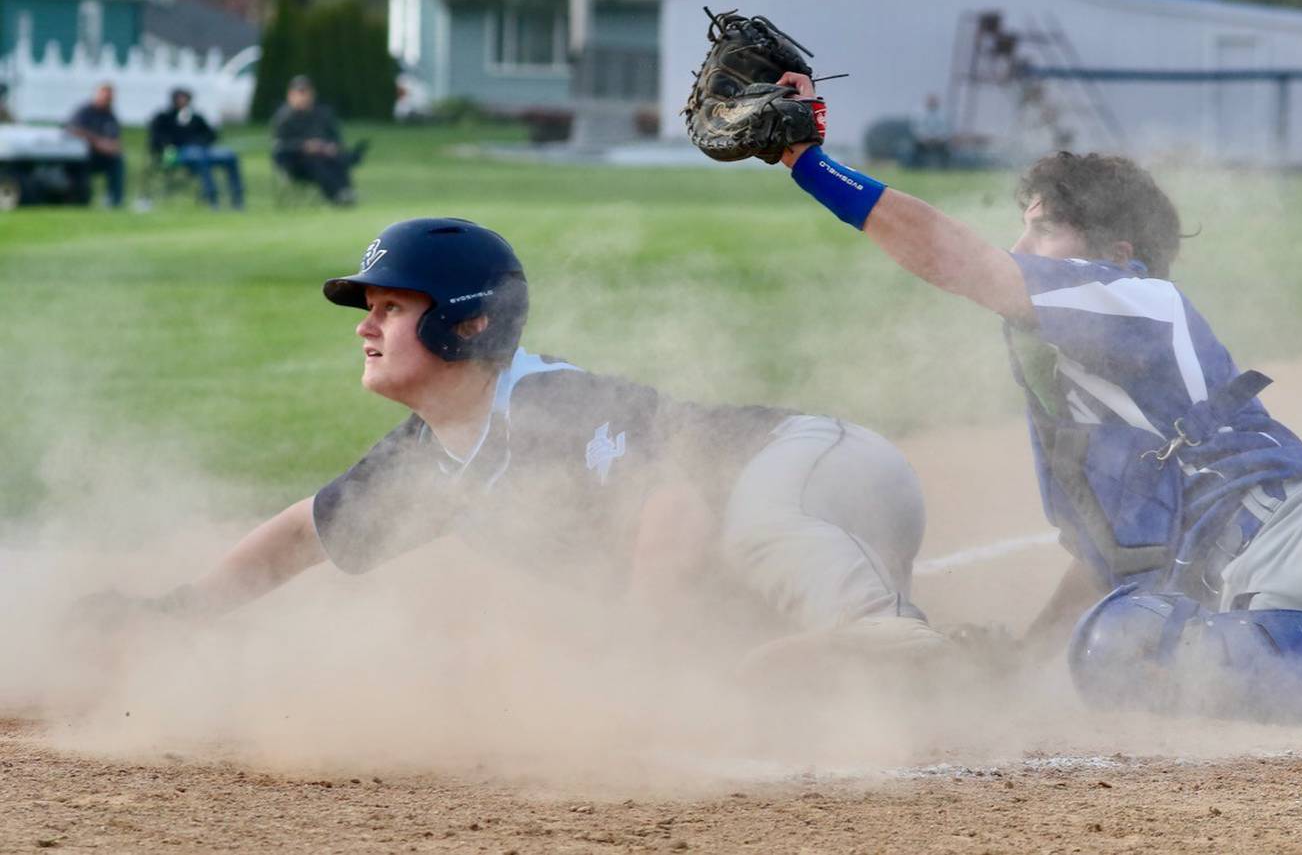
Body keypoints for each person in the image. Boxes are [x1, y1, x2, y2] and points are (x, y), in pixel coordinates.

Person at [761, 69, 1302, 729]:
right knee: (1117, 649)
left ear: (1116, 252)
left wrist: (808, 160)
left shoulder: (1137, 299)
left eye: (1044, 227)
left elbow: (964, 263)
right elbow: (1102, 563)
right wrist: (1021, 661)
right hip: (1244, 619)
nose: (1022, 246)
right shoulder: (1073, 423)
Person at [84, 218, 950, 672]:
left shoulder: (545, 402)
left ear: (469, 324)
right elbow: (303, 535)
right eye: (369, 309)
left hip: (817, 463)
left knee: (756, 528)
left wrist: (642, 662)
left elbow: (673, 510)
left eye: (391, 306)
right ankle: (925, 659)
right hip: (789, 543)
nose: (368, 328)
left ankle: (883, 634)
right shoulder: (429, 455)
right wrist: (181, 612)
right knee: (746, 661)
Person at [270, 75, 366, 205]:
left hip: (326, 156)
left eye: (306, 93)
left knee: (336, 157)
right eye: (299, 93)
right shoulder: (284, 118)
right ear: (290, 95)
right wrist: (304, 146)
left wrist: (331, 146)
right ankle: (337, 195)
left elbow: (335, 137)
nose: (303, 97)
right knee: (317, 161)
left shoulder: (323, 114)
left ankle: (346, 191)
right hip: (295, 163)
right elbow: (280, 146)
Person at [148, 88, 245, 210]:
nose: (183, 101)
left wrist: (202, 141)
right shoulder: (164, 117)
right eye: (180, 98)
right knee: (199, 157)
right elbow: (157, 140)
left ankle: (237, 198)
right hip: (175, 154)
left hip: (203, 150)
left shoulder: (196, 117)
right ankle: (211, 197)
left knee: (230, 155)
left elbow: (211, 135)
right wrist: (171, 147)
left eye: (185, 98)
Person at [67, 83, 125, 208]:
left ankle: (115, 201)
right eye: (105, 96)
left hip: (102, 156)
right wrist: (97, 142)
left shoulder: (110, 116)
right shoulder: (84, 111)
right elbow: (75, 130)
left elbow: (115, 138)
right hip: (83, 155)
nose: (108, 100)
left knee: (117, 160)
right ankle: (81, 200)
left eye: (110, 97)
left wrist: (113, 147)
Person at [906, 93, 950, 169]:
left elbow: (946, 128)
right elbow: (916, 128)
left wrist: (938, 138)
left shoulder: (943, 113)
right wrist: (924, 137)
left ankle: (945, 167)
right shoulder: (919, 113)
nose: (932, 103)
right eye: (930, 101)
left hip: (939, 140)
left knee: (947, 149)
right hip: (922, 140)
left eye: (934, 101)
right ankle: (915, 168)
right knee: (914, 149)